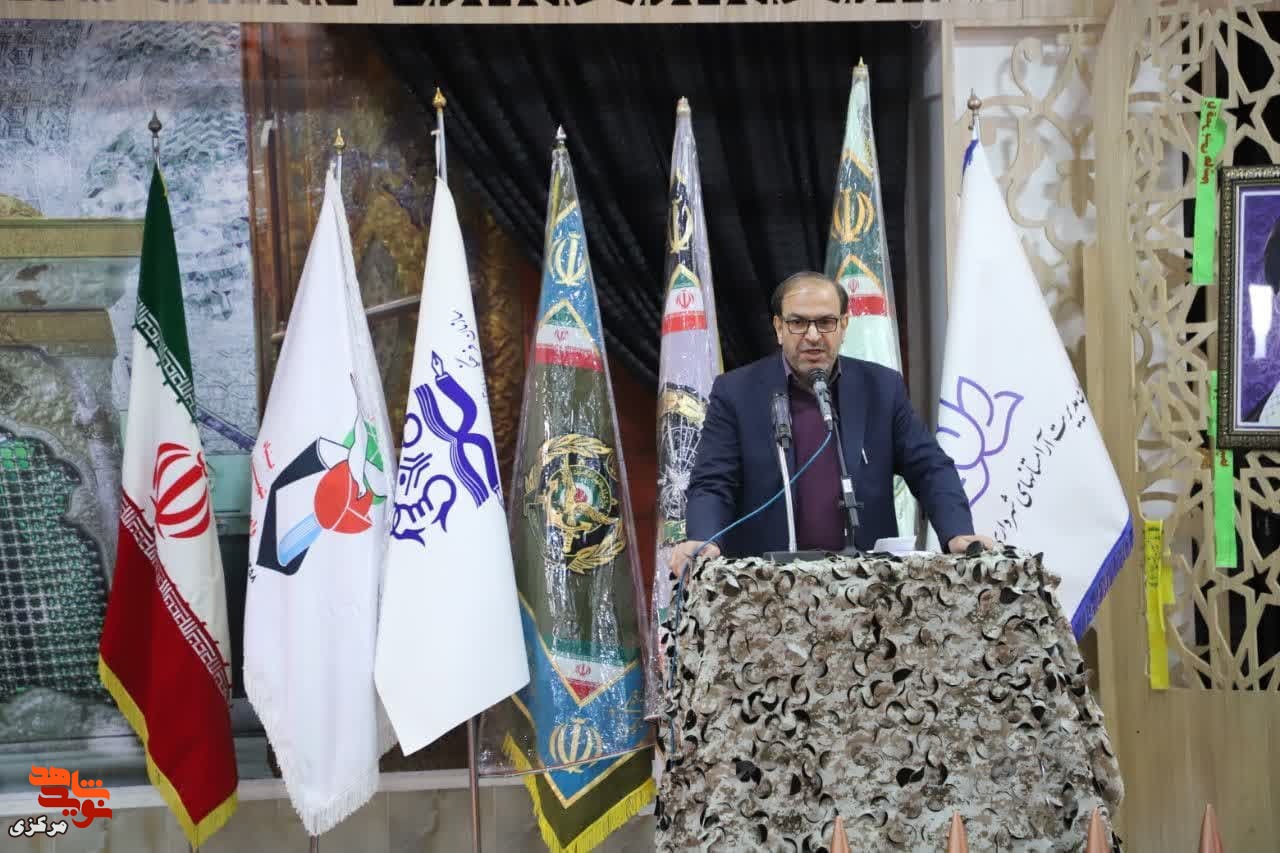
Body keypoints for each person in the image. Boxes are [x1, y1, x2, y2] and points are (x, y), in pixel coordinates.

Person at [672, 271, 993, 573]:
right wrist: (705, 539)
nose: (813, 336)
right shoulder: (737, 392)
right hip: (766, 585)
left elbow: (929, 467)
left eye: (826, 322)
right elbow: (714, 481)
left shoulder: (881, 387)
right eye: (798, 322)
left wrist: (957, 532)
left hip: (866, 583)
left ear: (844, 324)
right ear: (778, 327)